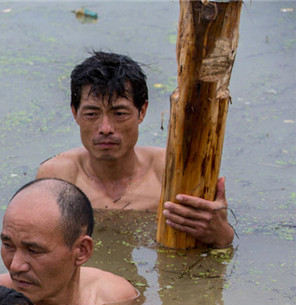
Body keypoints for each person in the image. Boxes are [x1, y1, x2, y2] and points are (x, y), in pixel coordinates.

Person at [37, 51, 235, 248]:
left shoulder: (173, 172)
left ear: (142, 111)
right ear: (75, 113)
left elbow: (217, 242)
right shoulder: (58, 177)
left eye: (120, 113)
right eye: (91, 114)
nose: (105, 128)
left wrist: (221, 234)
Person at [0, 178, 137, 305]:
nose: (15, 266)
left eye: (33, 250)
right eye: (8, 245)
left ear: (82, 251)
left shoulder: (117, 300)